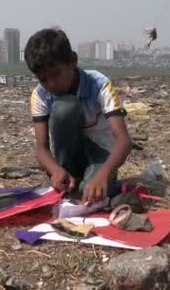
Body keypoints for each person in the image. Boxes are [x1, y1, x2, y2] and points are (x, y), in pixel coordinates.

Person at [24, 28, 132, 204]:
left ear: (72, 61)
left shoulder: (99, 84)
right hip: (68, 156)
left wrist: (104, 174)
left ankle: (89, 179)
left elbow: (124, 141)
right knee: (63, 108)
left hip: (101, 152)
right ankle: (68, 176)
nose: (51, 84)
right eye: (43, 79)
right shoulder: (40, 94)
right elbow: (41, 148)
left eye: (56, 74)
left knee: (92, 193)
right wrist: (55, 170)